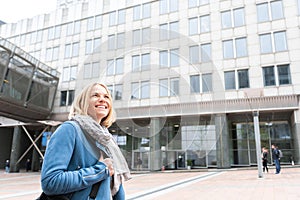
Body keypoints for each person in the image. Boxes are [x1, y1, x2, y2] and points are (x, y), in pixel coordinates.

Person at [40, 83, 131, 199]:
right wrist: (100, 170)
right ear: (83, 102)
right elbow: (51, 182)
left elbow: (115, 185)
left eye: (106, 97)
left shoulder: (107, 139)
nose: (102, 100)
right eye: (95, 95)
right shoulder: (70, 130)